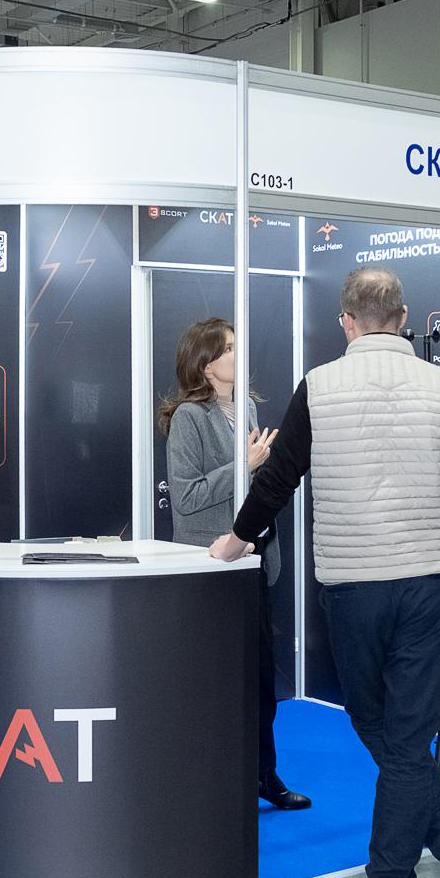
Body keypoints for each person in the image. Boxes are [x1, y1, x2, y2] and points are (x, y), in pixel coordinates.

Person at [210, 267, 440, 878]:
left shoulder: (319, 385)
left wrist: (236, 540)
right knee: (404, 736)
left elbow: (278, 479)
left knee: (381, 726)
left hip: (353, 585)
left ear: (345, 321)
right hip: (430, 583)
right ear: (404, 317)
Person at [160, 318, 309, 812]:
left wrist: (265, 469)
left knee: (260, 682)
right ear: (205, 364)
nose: (236, 354)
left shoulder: (245, 407)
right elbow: (186, 498)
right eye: (226, 349)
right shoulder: (189, 417)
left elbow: (255, 487)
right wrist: (244, 465)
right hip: (211, 570)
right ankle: (209, 780)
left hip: (254, 561)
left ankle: (264, 774)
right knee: (213, 681)